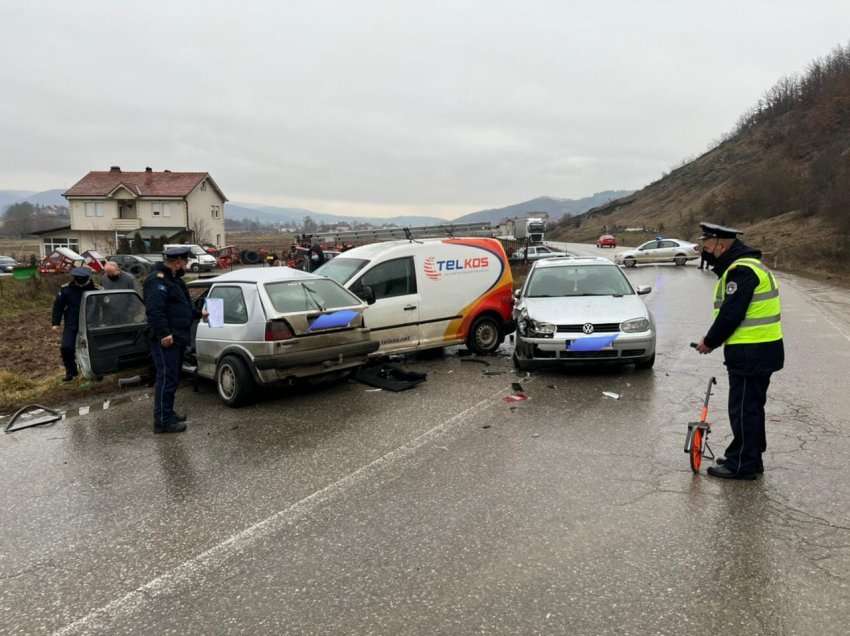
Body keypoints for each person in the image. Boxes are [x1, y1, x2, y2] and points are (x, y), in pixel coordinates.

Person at [695, 222, 784, 480]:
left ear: (721, 245)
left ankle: (742, 463)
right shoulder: (750, 265)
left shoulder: (741, 271)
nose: (706, 251)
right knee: (752, 407)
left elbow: (731, 314)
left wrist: (709, 342)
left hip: (751, 352)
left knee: (744, 408)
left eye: (708, 246)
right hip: (761, 349)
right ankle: (750, 457)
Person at [143, 247, 204, 434]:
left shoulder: (174, 280)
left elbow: (182, 307)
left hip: (177, 337)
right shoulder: (157, 280)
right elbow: (155, 311)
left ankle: (167, 413)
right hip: (166, 339)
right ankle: (162, 421)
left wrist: (200, 313)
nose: (186, 265)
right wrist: (164, 334)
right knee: (166, 378)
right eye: (185, 262)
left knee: (173, 378)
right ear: (177, 262)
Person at [51, 266, 98, 381]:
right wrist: (55, 323)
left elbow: (104, 306)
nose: (80, 281)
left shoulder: (97, 289)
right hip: (72, 323)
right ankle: (71, 372)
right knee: (66, 347)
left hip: (91, 323)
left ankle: (96, 371)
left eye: (83, 279)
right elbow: (58, 306)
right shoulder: (66, 290)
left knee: (94, 348)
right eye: (77, 279)